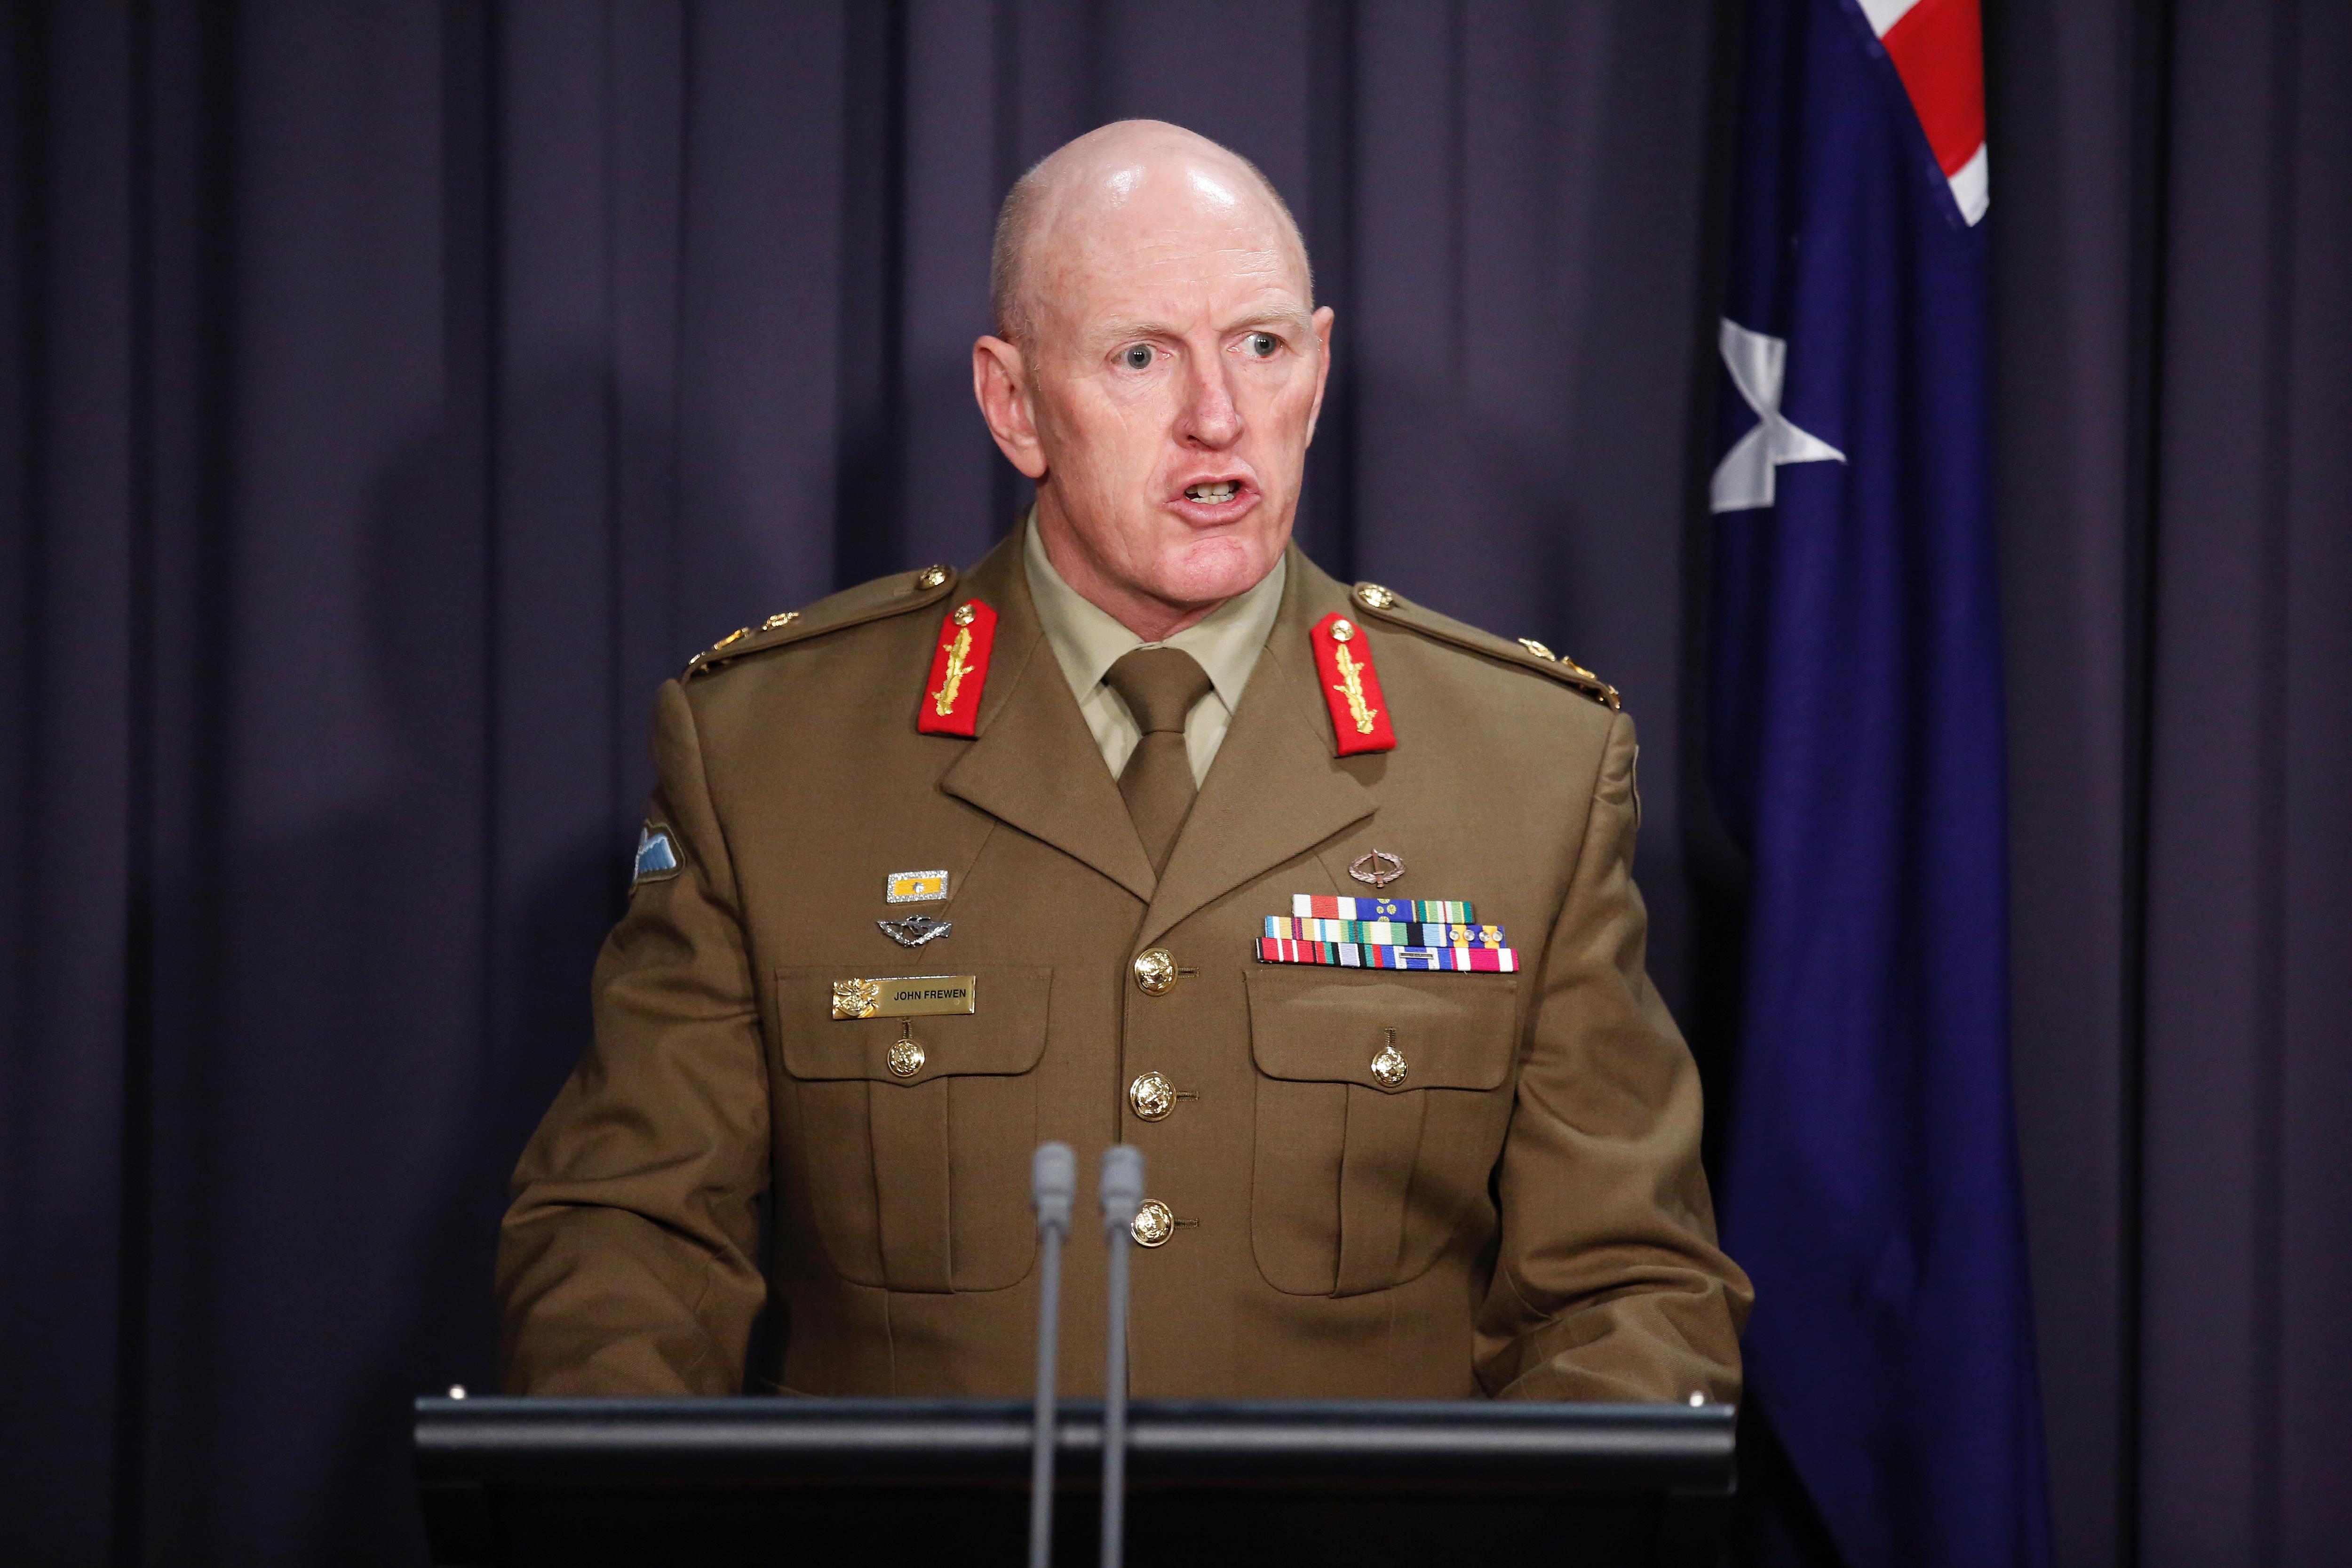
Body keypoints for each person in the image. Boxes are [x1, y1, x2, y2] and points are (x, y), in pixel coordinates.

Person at [497, 119, 1750, 1401]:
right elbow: (628, 1237)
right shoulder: (770, 753)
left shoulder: (1530, 766)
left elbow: (1630, 1291)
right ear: (1013, 402)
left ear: (1314, 373)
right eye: (1142, 356)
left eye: (1260, 348)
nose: (1219, 420)